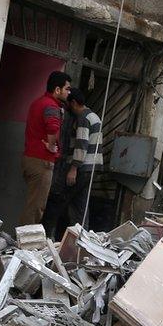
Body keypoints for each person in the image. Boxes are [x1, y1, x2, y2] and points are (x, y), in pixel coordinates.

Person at [42, 91, 103, 238]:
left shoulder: (83, 118)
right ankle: (81, 239)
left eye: (68, 104)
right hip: (91, 167)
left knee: (59, 201)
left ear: (74, 103)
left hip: (82, 167)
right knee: (80, 206)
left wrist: (74, 168)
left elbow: (82, 144)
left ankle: (46, 236)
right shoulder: (93, 116)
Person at [19, 71, 71, 226]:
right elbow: (53, 127)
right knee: (36, 207)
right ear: (57, 90)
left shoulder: (38, 102)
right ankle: (25, 243)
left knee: (32, 203)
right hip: (42, 161)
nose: (69, 93)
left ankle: (23, 240)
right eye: (67, 89)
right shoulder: (51, 105)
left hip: (30, 158)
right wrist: (51, 145)